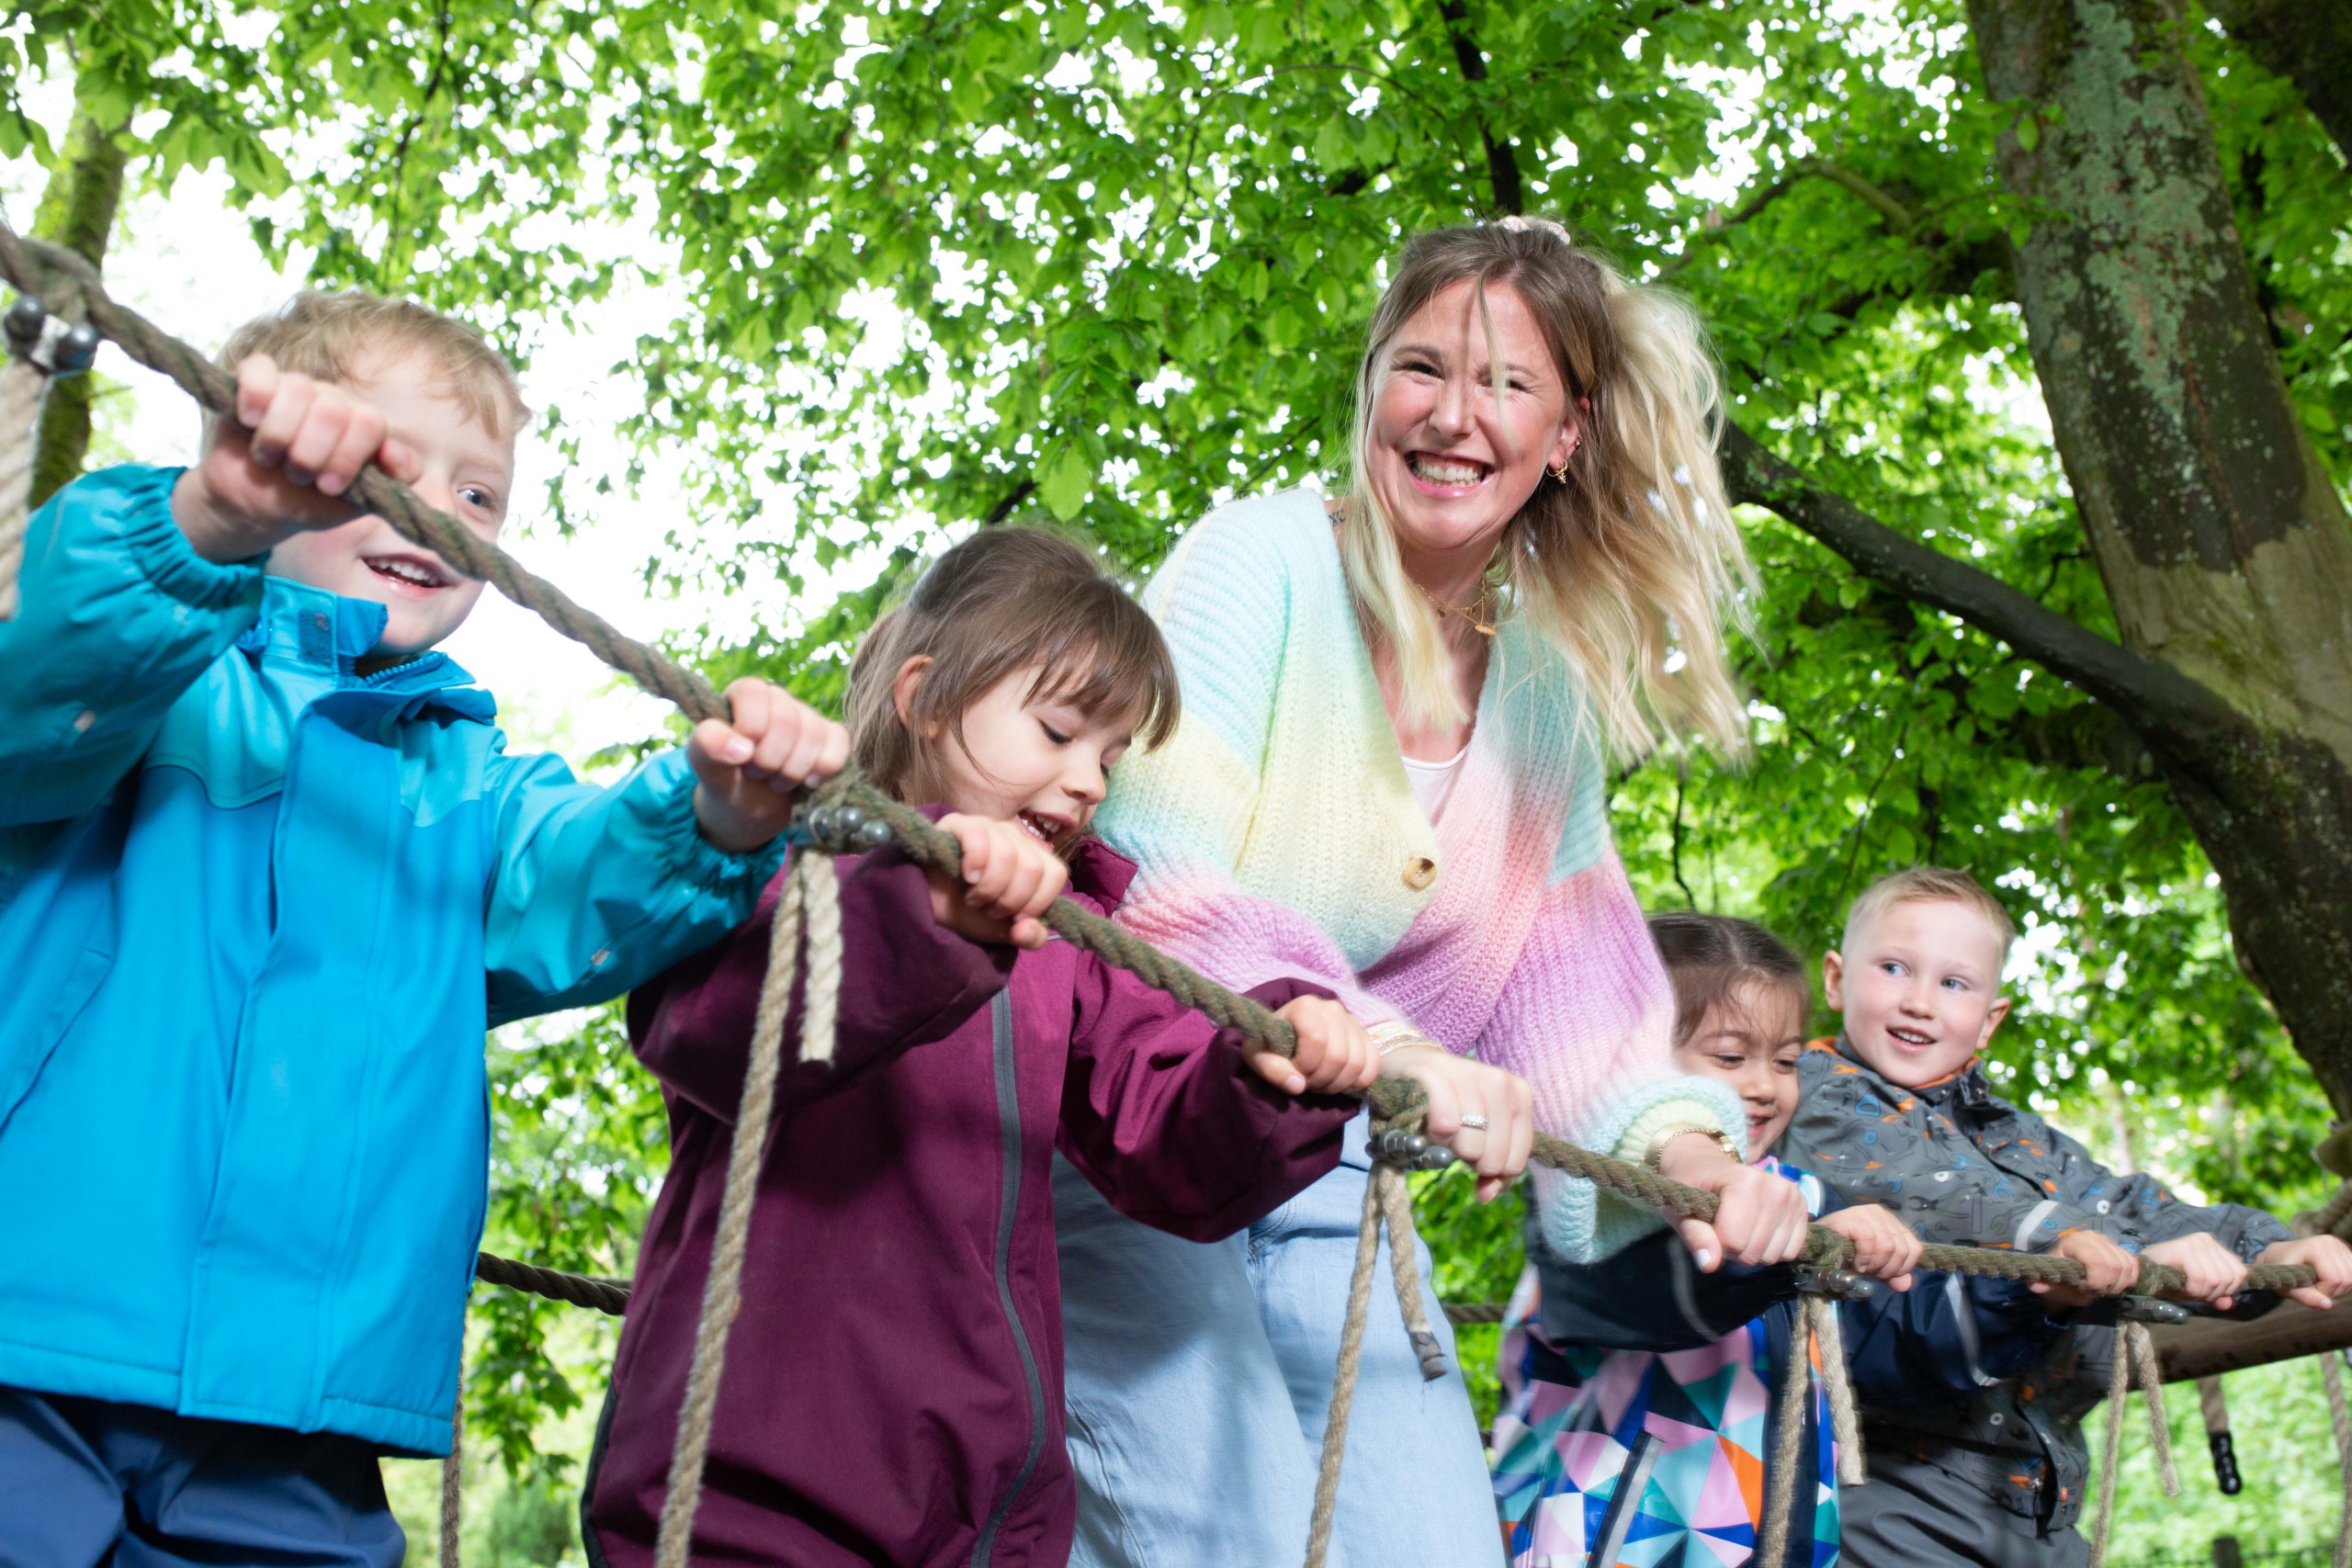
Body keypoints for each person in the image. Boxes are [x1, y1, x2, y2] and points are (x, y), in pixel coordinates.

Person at [0, 292, 842, 1564]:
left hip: (299, 1396)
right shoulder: (149, 678)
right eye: (388, 464)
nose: (437, 513)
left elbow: (583, 883)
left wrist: (720, 812)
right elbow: (44, 688)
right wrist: (209, 523)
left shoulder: (472, 788)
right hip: (32, 1334)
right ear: (269, 456)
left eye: (482, 495)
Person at [1053, 218, 1815, 1568]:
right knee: (1239, 1540)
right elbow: (1153, 877)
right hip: (1135, 1155)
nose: (1456, 417)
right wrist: (1397, 1049)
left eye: (1509, 385)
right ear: (1373, 390)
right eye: (1423, 368)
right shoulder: (1257, 562)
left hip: (1340, 1188)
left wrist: (1697, 1158)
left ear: (1566, 432)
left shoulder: (1541, 693)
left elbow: (1579, 1013)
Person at [584, 525, 1413, 1568]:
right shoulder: (790, 855)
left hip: (981, 1512)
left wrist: (1268, 1071)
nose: (1087, 783)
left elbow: (1164, 1137)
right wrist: (926, 914)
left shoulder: (1068, 943)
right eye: (1058, 732)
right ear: (925, 696)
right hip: (752, 1485)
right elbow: (711, 1030)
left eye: (1108, 757)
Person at [1778, 866, 2352, 1568]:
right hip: (1889, 1477)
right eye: (1895, 967)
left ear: (1990, 1019)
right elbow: (1936, 1194)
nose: (1921, 1001)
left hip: (2037, 1486)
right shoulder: (1815, 1094)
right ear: (1836, 980)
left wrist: (2271, 1248)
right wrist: (2066, 1236)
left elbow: (2129, 1202)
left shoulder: (2016, 1134)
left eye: (1954, 983)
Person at [1492, 911, 2068, 1568]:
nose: (1764, 1085)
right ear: (1637, 1066)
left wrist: (2043, 1292)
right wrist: (1791, 1247)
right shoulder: (1585, 1199)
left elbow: (1896, 1335)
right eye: (1731, 1056)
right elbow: (1661, 1292)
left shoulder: (1804, 1198)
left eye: (1787, 1060)